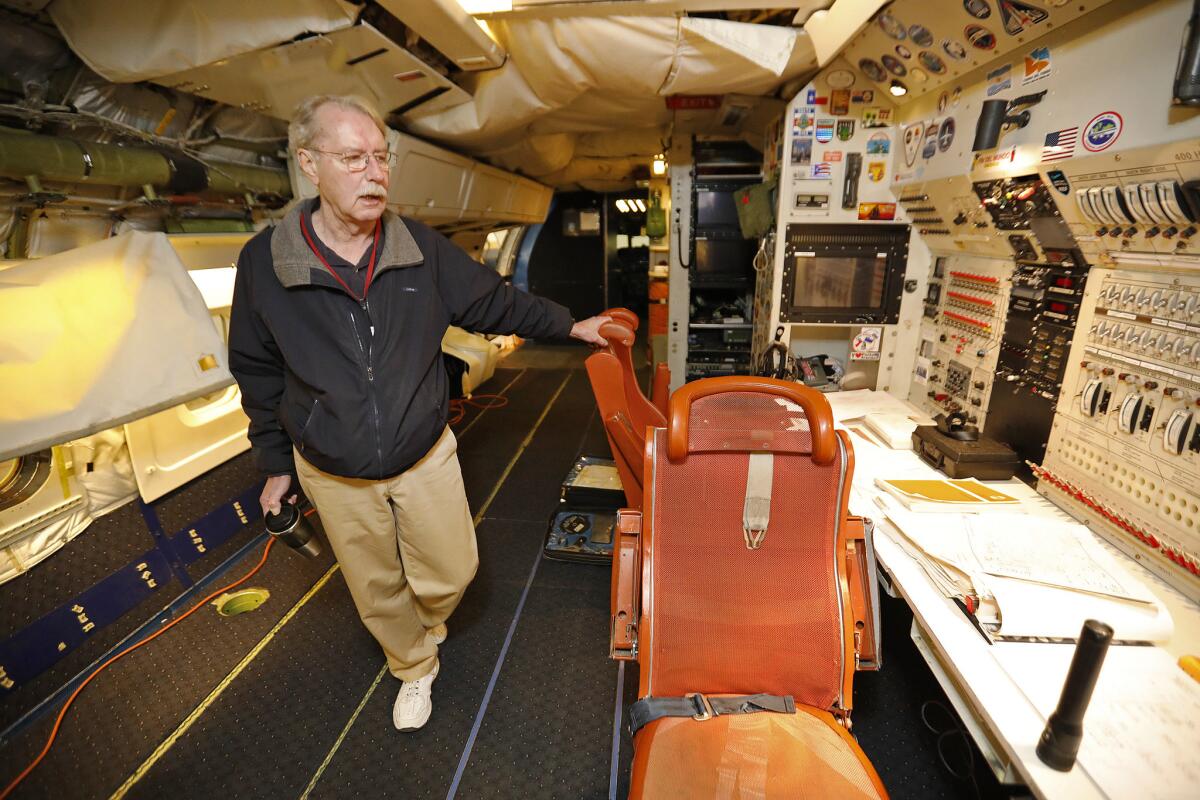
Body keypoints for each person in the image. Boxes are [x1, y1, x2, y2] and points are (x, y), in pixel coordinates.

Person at [228, 94, 609, 732]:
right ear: (309, 165)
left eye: (381, 157)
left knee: (453, 571)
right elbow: (257, 371)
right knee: (374, 587)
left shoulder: (420, 250)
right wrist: (275, 464)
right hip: (332, 465)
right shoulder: (265, 264)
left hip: (422, 450)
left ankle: (423, 622)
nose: (375, 172)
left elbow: (497, 304)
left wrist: (573, 326)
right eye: (353, 158)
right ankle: (412, 667)